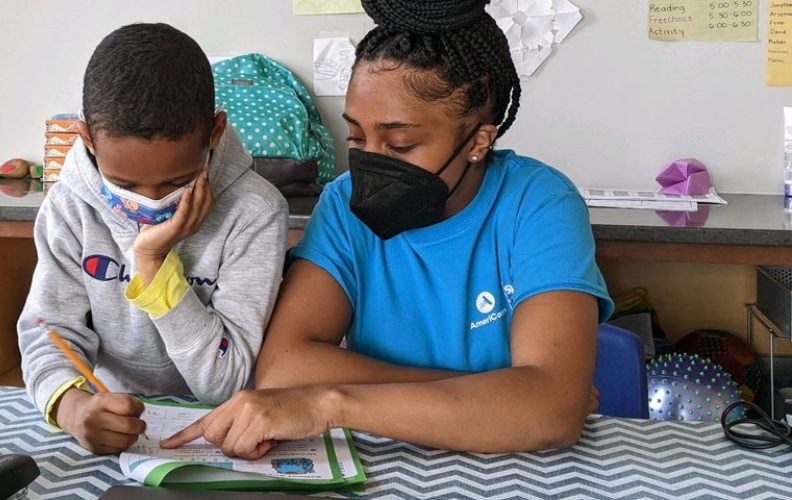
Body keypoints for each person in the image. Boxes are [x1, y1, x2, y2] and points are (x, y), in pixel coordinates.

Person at [162, 0, 613, 459]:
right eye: (357, 138)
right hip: (390, 463)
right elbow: (284, 370)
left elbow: (549, 414)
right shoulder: (342, 204)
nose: (370, 163)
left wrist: (330, 402)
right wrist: (498, 396)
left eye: (399, 145)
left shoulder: (538, 203)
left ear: (479, 141)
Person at [17, 23, 288, 455]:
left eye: (177, 181)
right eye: (124, 182)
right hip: (114, 419)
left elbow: (224, 381)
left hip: (226, 427)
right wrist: (72, 409)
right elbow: (48, 334)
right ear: (86, 139)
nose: (150, 204)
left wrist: (155, 263)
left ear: (214, 134)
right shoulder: (69, 206)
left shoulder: (255, 210)